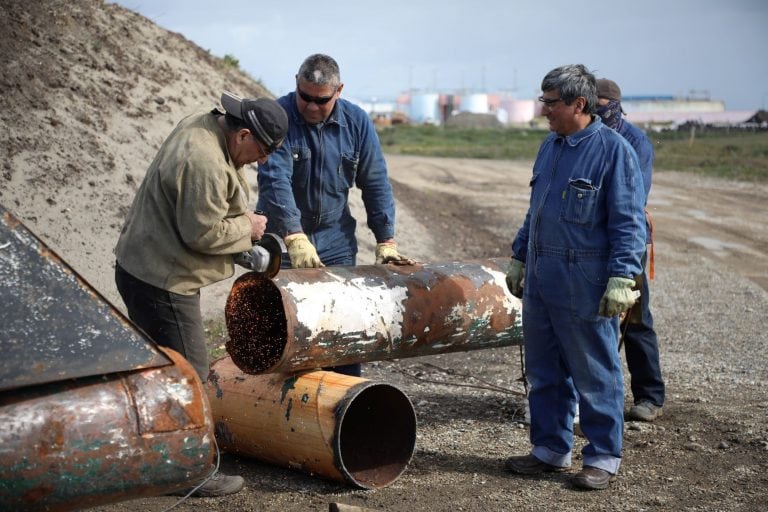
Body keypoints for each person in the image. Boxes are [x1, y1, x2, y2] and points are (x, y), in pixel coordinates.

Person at [114, 91, 289, 497]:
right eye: (261, 152)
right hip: (163, 281)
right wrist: (248, 227)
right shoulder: (204, 161)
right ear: (244, 134)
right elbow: (202, 232)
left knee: (160, 372)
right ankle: (189, 473)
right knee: (190, 375)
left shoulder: (208, 125)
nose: (262, 161)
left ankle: (150, 458)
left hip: (141, 262)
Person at [504, 64, 647, 490]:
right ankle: (550, 449)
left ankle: (603, 456)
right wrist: (518, 256)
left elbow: (628, 223)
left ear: (578, 104)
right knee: (545, 370)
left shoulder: (613, 152)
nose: (542, 109)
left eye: (550, 102)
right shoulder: (551, 146)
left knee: (594, 371)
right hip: (543, 274)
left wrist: (623, 277)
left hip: (584, 278)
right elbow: (538, 210)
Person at [256, 53, 412, 377]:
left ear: (338, 90)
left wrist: (386, 240)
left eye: (321, 100)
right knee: (282, 330)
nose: (311, 107)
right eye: (305, 97)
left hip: (335, 240)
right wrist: (294, 235)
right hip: (282, 242)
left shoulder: (357, 123)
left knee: (341, 328)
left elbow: (375, 182)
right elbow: (275, 180)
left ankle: (343, 405)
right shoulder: (278, 117)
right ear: (295, 85)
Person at [596, 78, 665, 422]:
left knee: (635, 319)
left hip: (626, 240)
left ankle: (649, 396)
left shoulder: (635, 142)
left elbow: (631, 202)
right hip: (590, 243)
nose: (595, 109)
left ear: (615, 104)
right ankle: (592, 399)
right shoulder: (586, 136)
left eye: (600, 102)